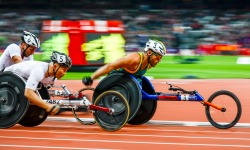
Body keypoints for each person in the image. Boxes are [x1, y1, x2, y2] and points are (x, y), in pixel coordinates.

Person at [4, 51, 72, 115]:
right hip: (7, 78)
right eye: (64, 70)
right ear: (55, 67)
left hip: (20, 82)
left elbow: (42, 92)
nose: (65, 73)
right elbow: (28, 93)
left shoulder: (53, 78)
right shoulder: (39, 70)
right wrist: (47, 106)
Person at [82, 39, 166, 86]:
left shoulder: (149, 63)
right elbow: (110, 66)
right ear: (149, 53)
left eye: (161, 58)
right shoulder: (134, 59)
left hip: (128, 81)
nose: (159, 60)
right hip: (115, 79)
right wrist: (91, 78)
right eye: (158, 57)